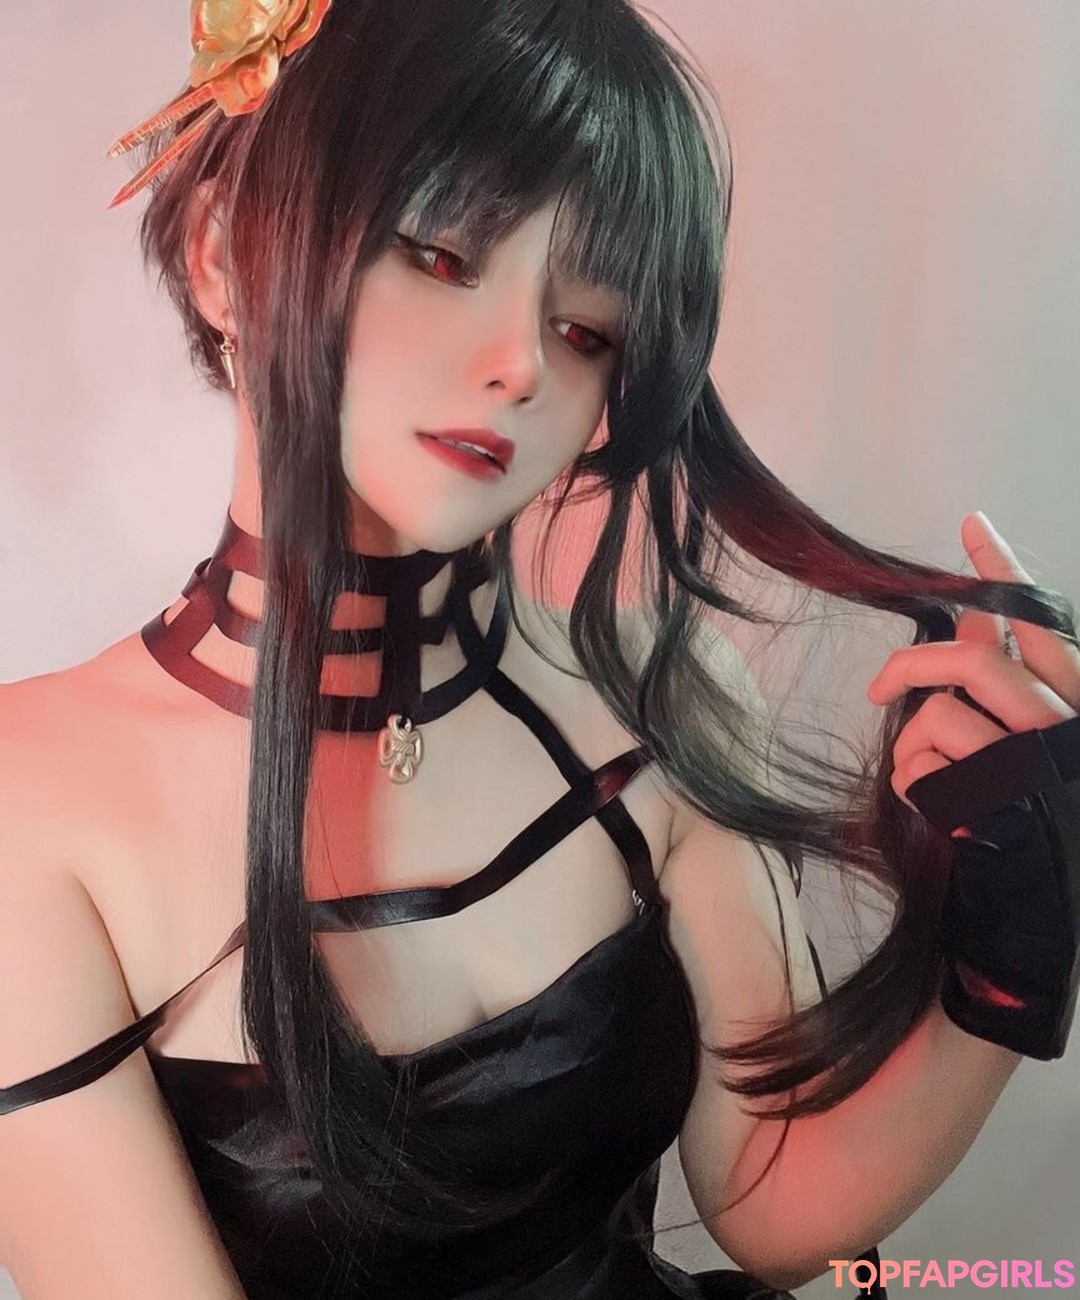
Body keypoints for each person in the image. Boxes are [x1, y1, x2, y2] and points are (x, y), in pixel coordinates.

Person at [2, 2, 1079, 1298]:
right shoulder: (30, 801)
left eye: (586, 328)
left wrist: (1008, 962)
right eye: (440, 251)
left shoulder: (656, 691)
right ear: (224, 252)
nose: (520, 364)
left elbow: (779, 1211)